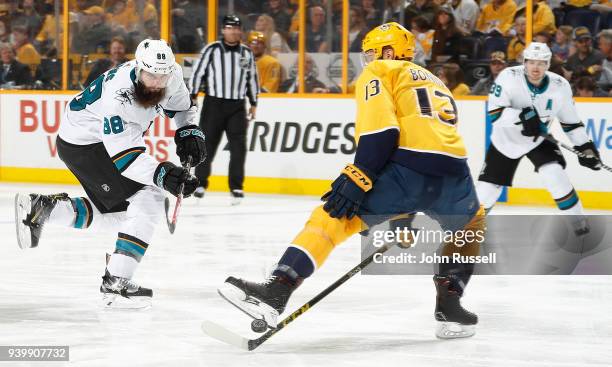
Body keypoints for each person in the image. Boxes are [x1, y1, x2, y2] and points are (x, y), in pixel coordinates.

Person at [218, 22, 485, 339]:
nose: (369, 59)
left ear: (388, 51)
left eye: (372, 52)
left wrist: (361, 174)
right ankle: (450, 307)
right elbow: (432, 140)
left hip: (407, 169)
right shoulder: (436, 81)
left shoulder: (381, 71)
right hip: (456, 173)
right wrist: (406, 213)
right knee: (470, 227)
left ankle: (278, 289)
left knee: (331, 218)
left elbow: (382, 131)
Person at [14, 39, 206, 308]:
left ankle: (45, 208)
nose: (156, 83)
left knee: (124, 216)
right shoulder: (119, 96)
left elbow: (183, 109)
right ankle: (116, 279)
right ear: (139, 68)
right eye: (151, 75)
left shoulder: (170, 75)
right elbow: (126, 158)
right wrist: (165, 175)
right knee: (149, 198)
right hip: (85, 143)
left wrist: (188, 131)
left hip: (96, 144)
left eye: (162, 76)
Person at [476, 42, 601, 234]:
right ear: (524, 62)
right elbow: (495, 114)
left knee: (554, 174)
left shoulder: (560, 86)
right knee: (488, 190)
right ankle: (469, 230)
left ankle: (580, 224)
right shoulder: (508, 77)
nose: (536, 67)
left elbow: (571, 123)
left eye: (541, 63)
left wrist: (585, 146)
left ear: (548, 64)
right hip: (505, 140)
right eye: (532, 62)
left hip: (538, 138)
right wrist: (522, 116)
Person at [189, 15, 260, 204]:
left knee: (239, 147)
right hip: (214, 104)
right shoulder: (211, 50)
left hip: (237, 105)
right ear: (223, 30)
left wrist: (253, 103)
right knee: (208, 144)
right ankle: (200, 182)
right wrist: (193, 95)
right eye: (230, 27)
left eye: (237, 28)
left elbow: (251, 78)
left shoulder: (246, 53)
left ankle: (236, 187)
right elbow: (198, 73)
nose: (234, 31)